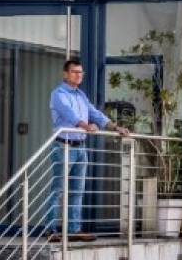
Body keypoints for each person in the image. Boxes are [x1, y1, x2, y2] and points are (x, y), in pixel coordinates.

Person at [49, 61, 128, 240]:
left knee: (77, 191)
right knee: (57, 189)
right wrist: (86, 126)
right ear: (65, 74)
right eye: (74, 72)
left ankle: (74, 230)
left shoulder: (81, 95)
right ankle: (50, 230)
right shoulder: (58, 94)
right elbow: (69, 114)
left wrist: (116, 127)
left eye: (81, 72)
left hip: (80, 147)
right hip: (63, 146)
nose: (79, 75)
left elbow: (95, 114)